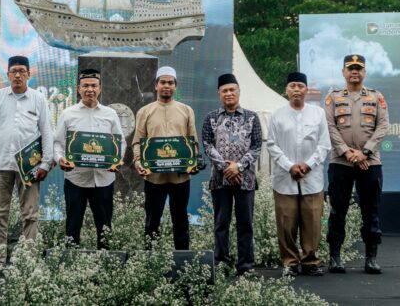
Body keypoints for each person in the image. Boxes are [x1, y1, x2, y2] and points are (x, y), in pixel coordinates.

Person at [0, 55, 54, 273]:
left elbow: (47, 132)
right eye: (14, 71)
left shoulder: (38, 99)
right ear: (8, 75)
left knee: (30, 215)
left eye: (22, 71)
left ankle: (28, 262)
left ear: (29, 74)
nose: (18, 75)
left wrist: (46, 163)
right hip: (0, 163)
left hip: (29, 168)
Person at [325, 54, 388, 275]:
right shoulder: (333, 97)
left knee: (371, 211)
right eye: (350, 68)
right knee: (337, 210)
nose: (354, 72)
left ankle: (371, 259)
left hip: (369, 162)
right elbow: (330, 127)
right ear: (343, 72)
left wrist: (365, 152)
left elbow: (383, 127)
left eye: (358, 68)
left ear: (364, 72)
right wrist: (348, 153)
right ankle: (335, 257)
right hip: (340, 162)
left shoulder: (376, 97)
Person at [266, 72, 331, 277]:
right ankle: (290, 262)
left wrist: (308, 165)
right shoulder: (277, 115)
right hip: (285, 178)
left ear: (306, 90)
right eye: (292, 86)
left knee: (312, 221)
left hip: (312, 178)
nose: (296, 89)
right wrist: (289, 166)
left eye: (300, 86)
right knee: (286, 222)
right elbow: (272, 144)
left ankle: (311, 261)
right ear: (286, 90)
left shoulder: (318, 114)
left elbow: (324, 144)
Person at [54, 68, 126, 249]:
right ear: (79, 89)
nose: (90, 90)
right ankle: (71, 264)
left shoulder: (110, 114)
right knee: (72, 225)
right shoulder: (68, 113)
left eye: (94, 85)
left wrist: (117, 159)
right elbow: (57, 144)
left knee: (104, 226)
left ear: (100, 88)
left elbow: (121, 142)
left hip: (104, 179)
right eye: (85, 85)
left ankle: (105, 264)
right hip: (75, 178)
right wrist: (61, 159)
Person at [133, 66, 202, 250]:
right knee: (152, 222)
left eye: (170, 83)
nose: (166, 86)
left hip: (180, 177)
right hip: (154, 178)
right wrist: (139, 161)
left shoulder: (186, 110)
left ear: (175, 86)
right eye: (163, 82)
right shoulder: (145, 112)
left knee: (180, 220)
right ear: (156, 85)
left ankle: (182, 262)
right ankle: (150, 263)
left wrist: (192, 162)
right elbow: (137, 142)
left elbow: (192, 142)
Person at [201, 73, 262, 274]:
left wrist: (239, 166)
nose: (228, 94)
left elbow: (256, 147)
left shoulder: (252, 117)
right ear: (219, 93)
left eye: (232, 90)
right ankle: (222, 264)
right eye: (224, 90)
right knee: (221, 224)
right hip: (220, 181)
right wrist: (226, 168)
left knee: (245, 224)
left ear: (238, 91)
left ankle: (245, 265)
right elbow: (207, 145)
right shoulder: (211, 118)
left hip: (246, 180)